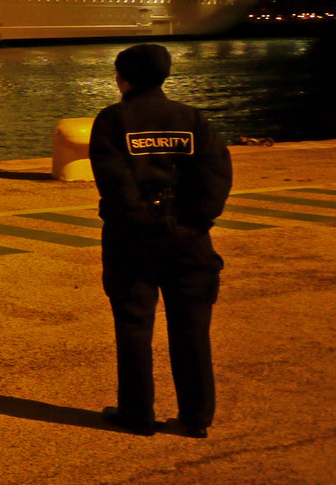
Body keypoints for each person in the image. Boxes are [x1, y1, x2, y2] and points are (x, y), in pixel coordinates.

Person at [89, 43, 232, 437]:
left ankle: (137, 414)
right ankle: (196, 415)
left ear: (124, 78)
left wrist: (141, 221)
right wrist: (195, 219)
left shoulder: (112, 120)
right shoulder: (193, 119)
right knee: (192, 327)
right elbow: (217, 174)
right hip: (190, 241)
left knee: (134, 327)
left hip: (131, 242)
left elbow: (114, 181)